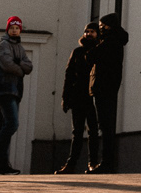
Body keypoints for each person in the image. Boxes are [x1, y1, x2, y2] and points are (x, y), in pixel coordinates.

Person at [0, 15, 33, 175]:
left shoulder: (20, 48)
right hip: (5, 89)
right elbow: (8, 65)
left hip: (15, 91)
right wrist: (20, 69)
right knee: (12, 124)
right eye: (12, 28)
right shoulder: (4, 45)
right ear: (7, 29)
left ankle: (2, 165)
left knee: (8, 125)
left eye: (17, 28)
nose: (14, 31)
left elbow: (29, 66)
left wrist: (19, 64)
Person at [87, 12, 129, 173]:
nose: (100, 29)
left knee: (105, 126)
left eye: (102, 26)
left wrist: (92, 43)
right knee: (107, 125)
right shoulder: (116, 40)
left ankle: (106, 163)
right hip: (110, 86)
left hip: (103, 86)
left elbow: (91, 56)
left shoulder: (110, 41)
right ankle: (107, 162)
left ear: (109, 26)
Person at [55, 22, 98, 174]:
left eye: (92, 31)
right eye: (87, 31)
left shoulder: (98, 51)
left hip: (93, 96)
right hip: (78, 96)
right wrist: (65, 98)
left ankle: (93, 163)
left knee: (93, 130)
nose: (89, 34)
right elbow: (68, 75)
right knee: (77, 132)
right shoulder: (77, 52)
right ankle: (71, 164)